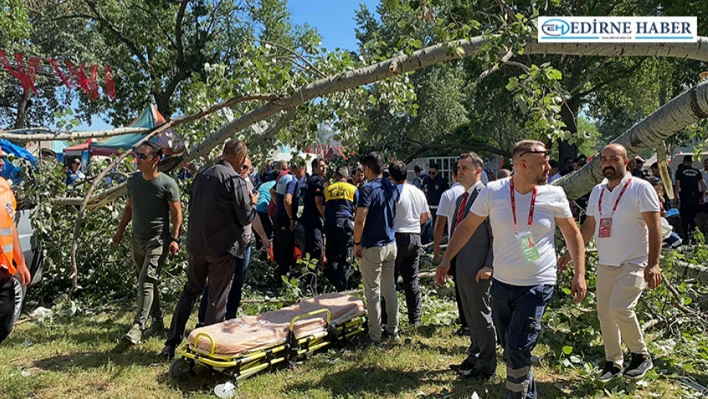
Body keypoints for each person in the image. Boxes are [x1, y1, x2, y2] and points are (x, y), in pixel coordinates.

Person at [436, 140, 586, 399]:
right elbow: (467, 227)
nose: (550, 166)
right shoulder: (493, 192)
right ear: (524, 165)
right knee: (513, 348)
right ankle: (528, 393)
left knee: (518, 346)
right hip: (503, 284)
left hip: (538, 283)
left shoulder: (554, 194)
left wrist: (579, 273)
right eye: (544, 162)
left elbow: (572, 235)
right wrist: (446, 259)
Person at [560, 144, 661, 381]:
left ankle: (641, 355)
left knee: (620, 308)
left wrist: (653, 263)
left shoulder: (640, 188)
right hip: (606, 263)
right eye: (604, 159)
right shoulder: (597, 191)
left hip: (634, 262)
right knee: (605, 314)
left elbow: (655, 227)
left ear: (625, 162)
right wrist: (569, 253)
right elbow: (588, 228)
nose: (608, 163)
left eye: (613, 159)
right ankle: (613, 363)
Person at [161, 139, 257, 359]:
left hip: (197, 244)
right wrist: (252, 202)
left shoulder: (202, 175)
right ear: (241, 157)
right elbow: (245, 217)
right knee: (216, 298)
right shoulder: (235, 180)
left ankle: (171, 343)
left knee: (190, 291)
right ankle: (208, 351)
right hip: (222, 249)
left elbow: (193, 206)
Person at [112, 142, 182, 345]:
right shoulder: (133, 181)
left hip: (158, 240)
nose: (138, 160)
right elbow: (129, 208)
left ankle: (138, 327)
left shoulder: (167, 184)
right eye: (137, 155)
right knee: (147, 283)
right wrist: (119, 231)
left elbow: (177, 214)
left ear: (156, 159)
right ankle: (157, 321)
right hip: (137, 239)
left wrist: (175, 238)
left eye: (142, 156)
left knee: (147, 280)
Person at [196, 156, 271, 326]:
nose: (242, 169)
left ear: (251, 170)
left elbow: (253, 216)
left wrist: (264, 237)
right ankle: (203, 321)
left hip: (245, 243)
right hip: (229, 243)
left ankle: (230, 319)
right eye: (241, 165)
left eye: (246, 167)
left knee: (237, 283)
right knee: (217, 284)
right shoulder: (230, 183)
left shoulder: (249, 185)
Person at [443, 153, 496, 380]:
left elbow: (496, 235)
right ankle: (474, 355)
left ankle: (486, 364)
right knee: (469, 315)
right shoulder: (459, 199)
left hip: (478, 269)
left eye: (465, 167)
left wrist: (489, 265)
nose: (460, 172)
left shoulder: (486, 195)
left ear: (478, 170)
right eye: (458, 168)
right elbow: (458, 233)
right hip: (462, 266)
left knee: (481, 314)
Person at [354, 152, 400, 344]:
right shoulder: (392, 186)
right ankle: (393, 330)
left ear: (366, 168)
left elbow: (359, 220)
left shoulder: (367, 189)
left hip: (373, 246)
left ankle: (374, 335)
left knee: (372, 292)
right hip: (391, 243)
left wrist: (357, 244)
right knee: (390, 289)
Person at [388, 161, 429, 326]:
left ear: (391, 177)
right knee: (412, 281)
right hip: (415, 236)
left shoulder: (392, 192)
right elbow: (426, 216)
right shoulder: (418, 192)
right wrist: (414, 225)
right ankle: (415, 319)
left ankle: (389, 320)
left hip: (397, 236)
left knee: (390, 282)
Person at [432, 162, 468, 335]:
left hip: (455, 244)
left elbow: (440, 222)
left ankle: (466, 322)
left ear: (452, 176)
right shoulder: (477, 192)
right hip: (475, 244)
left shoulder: (448, 194)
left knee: (460, 285)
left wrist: (437, 245)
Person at [0, 149, 30, 345]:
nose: (2, 163)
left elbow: (11, 227)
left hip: (3, 272)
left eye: (1, 158)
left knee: (4, 324)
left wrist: (21, 263)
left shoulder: (5, 189)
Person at [323, 166, 358, 291]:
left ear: (336, 176)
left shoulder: (328, 189)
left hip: (330, 224)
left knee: (331, 255)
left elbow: (323, 208)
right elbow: (357, 209)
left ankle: (333, 282)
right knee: (345, 256)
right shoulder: (352, 189)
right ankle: (342, 289)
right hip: (344, 224)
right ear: (347, 176)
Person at [273, 161, 298, 277]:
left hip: (278, 215)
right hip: (285, 216)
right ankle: (285, 276)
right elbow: (287, 199)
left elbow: (272, 191)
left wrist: (278, 205)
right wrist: (291, 218)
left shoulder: (282, 178)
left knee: (280, 245)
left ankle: (278, 273)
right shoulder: (292, 179)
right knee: (287, 247)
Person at [674, 155, 706, 244]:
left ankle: (686, 237)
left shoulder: (680, 171)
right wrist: (703, 196)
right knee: (692, 217)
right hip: (695, 197)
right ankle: (696, 235)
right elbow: (704, 185)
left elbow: (677, 185)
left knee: (685, 218)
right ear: (692, 162)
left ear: (684, 161)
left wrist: (676, 197)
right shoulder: (697, 171)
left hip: (685, 197)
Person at [302, 158, 327, 265]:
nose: (324, 168)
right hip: (314, 219)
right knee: (316, 249)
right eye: (321, 166)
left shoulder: (311, 180)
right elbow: (318, 202)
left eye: (325, 166)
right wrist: (324, 216)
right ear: (314, 168)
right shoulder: (317, 181)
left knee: (310, 248)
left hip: (308, 218)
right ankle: (313, 277)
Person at [421, 163, 449, 245]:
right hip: (428, 208)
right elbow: (422, 191)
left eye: (433, 173)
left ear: (437, 172)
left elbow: (446, 194)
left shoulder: (442, 181)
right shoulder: (426, 180)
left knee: (437, 228)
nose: (431, 175)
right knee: (428, 229)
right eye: (429, 172)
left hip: (438, 208)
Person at [255, 173, 276, 257]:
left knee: (258, 233)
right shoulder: (275, 184)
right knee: (268, 234)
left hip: (255, 208)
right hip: (264, 209)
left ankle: (258, 253)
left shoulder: (263, 184)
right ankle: (265, 256)